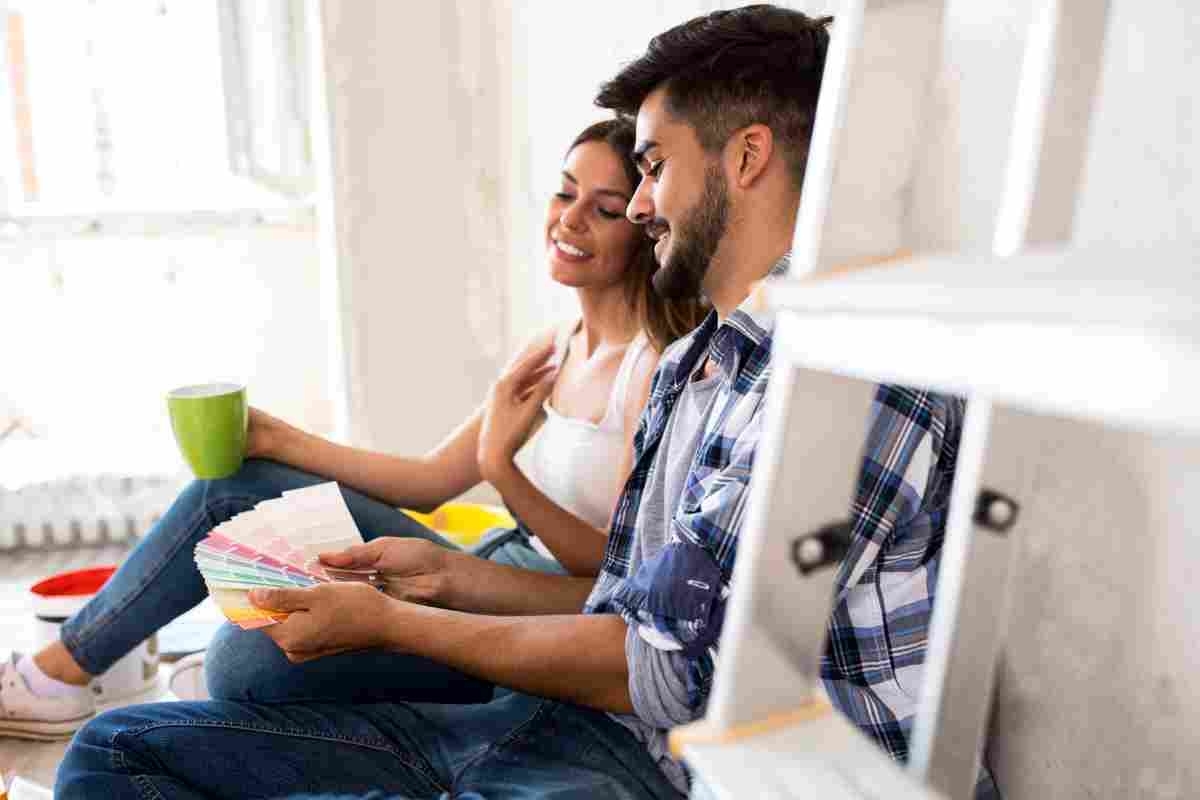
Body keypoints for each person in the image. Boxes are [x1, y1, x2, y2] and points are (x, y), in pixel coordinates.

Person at [58, 6, 970, 798]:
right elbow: (615, 601)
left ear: (747, 156)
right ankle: (69, 680)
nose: (639, 203)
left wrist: (400, 620)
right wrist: (443, 575)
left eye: (650, 170)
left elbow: (659, 670)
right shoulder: (705, 363)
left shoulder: (850, 382)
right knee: (111, 754)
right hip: (559, 715)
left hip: (658, 765)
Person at [0, 117, 705, 740]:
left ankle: (81, 676)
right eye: (564, 192)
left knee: (237, 662)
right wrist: (283, 442)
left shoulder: (650, 370)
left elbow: (613, 576)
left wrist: (503, 468)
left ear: (643, 228)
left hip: (537, 619)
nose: (570, 218)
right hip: (486, 560)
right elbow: (430, 484)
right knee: (234, 488)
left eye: (605, 209)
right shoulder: (555, 344)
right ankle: (61, 672)